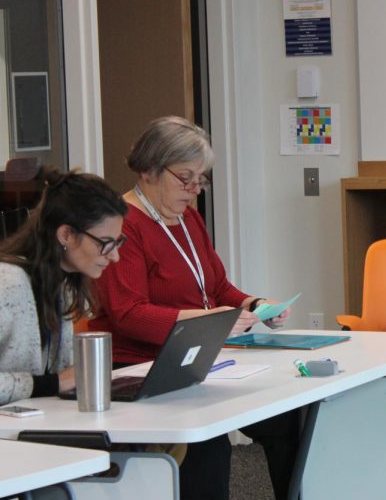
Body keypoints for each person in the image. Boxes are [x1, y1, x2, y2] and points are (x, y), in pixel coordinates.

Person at [91, 116, 299, 500]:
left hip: (196, 357)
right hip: (141, 365)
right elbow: (130, 314)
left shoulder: (187, 218)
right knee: (207, 443)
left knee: (291, 419)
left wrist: (253, 303)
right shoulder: (123, 224)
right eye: (185, 178)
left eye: (200, 179)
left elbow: (216, 286)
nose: (194, 190)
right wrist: (214, 320)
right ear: (150, 169)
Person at [0, 170, 127, 406]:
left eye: (118, 242)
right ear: (66, 234)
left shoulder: (62, 283)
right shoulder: (7, 282)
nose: (115, 257)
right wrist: (54, 383)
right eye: (106, 243)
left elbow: (64, 378)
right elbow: (58, 381)